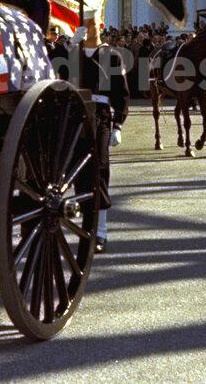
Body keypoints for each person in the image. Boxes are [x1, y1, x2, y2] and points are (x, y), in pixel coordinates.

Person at [54, 14, 128, 253]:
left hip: (100, 116)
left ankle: (101, 231)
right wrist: (69, 46)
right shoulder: (72, 53)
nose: (87, 28)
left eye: (92, 24)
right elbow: (56, 71)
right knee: (79, 171)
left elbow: (121, 93)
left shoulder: (112, 56)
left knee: (100, 170)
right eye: (83, 24)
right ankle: (86, 226)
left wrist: (118, 125)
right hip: (75, 115)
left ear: (101, 26)